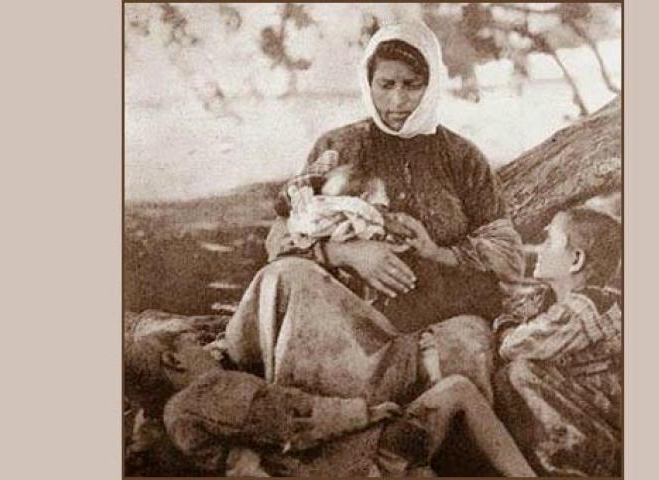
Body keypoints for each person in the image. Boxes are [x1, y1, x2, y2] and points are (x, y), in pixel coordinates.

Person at [225, 21, 523, 412]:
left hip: (436, 316)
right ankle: (322, 420)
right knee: (282, 275)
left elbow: (507, 250)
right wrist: (347, 253)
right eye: (386, 85)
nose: (397, 100)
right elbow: (283, 233)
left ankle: (413, 432)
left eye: (412, 85)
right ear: (369, 84)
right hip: (348, 317)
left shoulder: (462, 157)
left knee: (465, 351)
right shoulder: (337, 147)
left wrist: (438, 252)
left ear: (432, 83)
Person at [126, 324, 535, 476]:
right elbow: (295, 420)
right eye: (194, 345)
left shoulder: (176, 420)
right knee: (458, 389)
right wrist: (364, 411)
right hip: (358, 462)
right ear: (174, 361)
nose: (206, 349)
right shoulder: (207, 392)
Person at [493, 207, 623, 477]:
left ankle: (565, 469)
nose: (540, 248)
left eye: (549, 240)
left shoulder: (587, 307)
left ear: (576, 259)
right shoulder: (549, 299)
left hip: (606, 438)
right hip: (589, 421)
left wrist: (505, 326)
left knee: (519, 372)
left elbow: (513, 346)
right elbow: (516, 313)